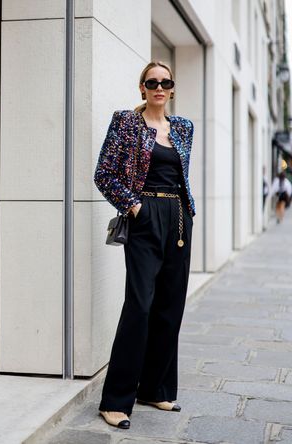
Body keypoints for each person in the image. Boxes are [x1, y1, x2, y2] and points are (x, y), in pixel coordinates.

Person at [93, 61, 195, 429]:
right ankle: (116, 400)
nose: (159, 87)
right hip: (145, 214)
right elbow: (103, 173)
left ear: (171, 88)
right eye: (152, 82)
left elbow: (181, 175)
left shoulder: (183, 127)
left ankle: (155, 388)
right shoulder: (126, 123)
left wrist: (184, 211)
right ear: (142, 88)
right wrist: (136, 206)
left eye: (165, 81)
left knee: (170, 305)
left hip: (179, 217)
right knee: (139, 304)